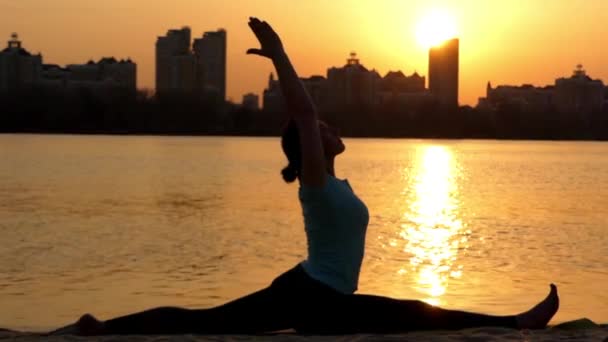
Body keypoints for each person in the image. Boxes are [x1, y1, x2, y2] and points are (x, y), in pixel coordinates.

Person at [49, 17, 559, 336]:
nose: (332, 129)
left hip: (322, 295)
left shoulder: (334, 185)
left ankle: (515, 321)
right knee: (207, 322)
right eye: (322, 129)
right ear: (311, 146)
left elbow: (312, 123)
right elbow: (306, 114)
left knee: (413, 311)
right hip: (312, 297)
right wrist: (281, 56)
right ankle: (102, 329)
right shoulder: (316, 182)